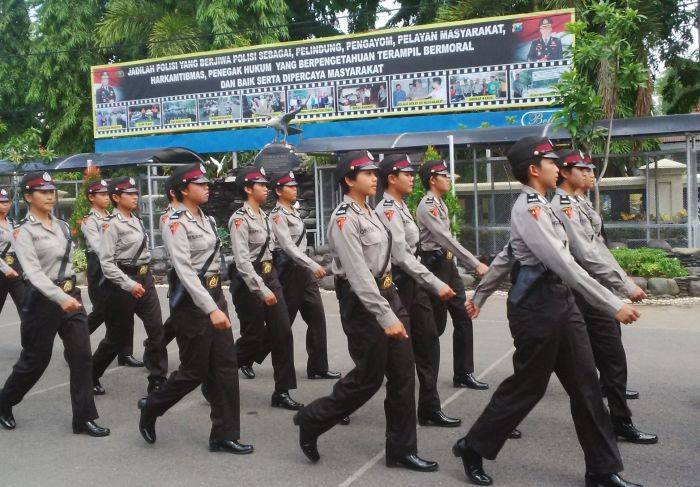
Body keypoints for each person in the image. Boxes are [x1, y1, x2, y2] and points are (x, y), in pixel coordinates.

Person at [453, 137, 642, 487]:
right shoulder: (530, 209)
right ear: (534, 169)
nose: (560, 168)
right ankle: (473, 446)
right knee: (528, 386)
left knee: (586, 385)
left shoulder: (544, 206)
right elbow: (564, 264)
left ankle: (602, 470)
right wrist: (613, 304)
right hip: (536, 309)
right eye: (552, 162)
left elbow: (507, 255)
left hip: (561, 303)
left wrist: (479, 296)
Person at [293, 150, 438, 472]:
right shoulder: (343, 219)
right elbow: (358, 276)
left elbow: (395, 256)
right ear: (348, 179)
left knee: (403, 375)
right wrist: (386, 317)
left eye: (375, 172)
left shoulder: (372, 212)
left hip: (388, 293)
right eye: (366, 173)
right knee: (367, 379)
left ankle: (401, 450)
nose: (375, 177)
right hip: (363, 304)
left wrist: (431, 285)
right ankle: (312, 419)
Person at [137, 164, 252, 454]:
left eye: (205, 183)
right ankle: (152, 406)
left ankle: (224, 434)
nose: (206, 187)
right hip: (192, 303)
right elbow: (185, 271)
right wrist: (211, 308)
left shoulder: (208, 220)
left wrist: (217, 301)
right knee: (194, 370)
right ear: (183, 190)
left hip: (213, 294)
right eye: (199, 184)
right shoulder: (175, 221)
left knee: (225, 366)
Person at [550, 149, 658, 446]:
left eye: (589, 169)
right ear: (565, 173)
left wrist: (621, 276)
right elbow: (586, 254)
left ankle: (619, 418)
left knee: (608, 356)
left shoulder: (580, 202)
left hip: (595, 287)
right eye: (581, 169)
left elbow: (600, 247)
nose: (588, 173)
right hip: (582, 290)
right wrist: (623, 287)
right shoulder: (563, 206)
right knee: (546, 365)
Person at [0, 172, 109, 437]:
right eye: (43, 191)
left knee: (81, 357)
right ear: (28, 197)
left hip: (72, 296)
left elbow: (70, 264)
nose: (50, 195)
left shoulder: (61, 225)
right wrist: (62, 299)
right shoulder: (22, 231)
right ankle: (4, 402)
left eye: (52, 191)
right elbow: (34, 274)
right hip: (43, 301)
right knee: (35, 361)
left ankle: (84, 418)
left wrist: (73, 294)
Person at [375, 154, 462, 428]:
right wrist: (435, 283)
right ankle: (345, 398)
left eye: (413, 173)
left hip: (415, 283)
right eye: (406, 173)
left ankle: (428, 407)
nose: (413, 178)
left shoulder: (402, 206)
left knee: (428, 344)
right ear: (391, 178)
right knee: (389, 355)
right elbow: (401, 256)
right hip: (400, 284)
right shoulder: (387, 210)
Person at [228, 166, 302, 410]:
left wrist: (271, 285)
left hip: (271, 276)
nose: (266, 188)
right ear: (248, 188)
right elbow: (242, 261)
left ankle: (281, 391)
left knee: (282, 332)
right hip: (249, 282)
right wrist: (261, 289)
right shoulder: (239, 219)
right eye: (261, 184)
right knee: (253, 337)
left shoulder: (265, 215)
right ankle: (217, 375)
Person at [416, 160, 490, 390]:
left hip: (447, 266)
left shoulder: (440, 203)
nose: (449, 179)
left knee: (463, 316)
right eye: (444, 175)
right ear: (432, 180)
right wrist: (474, 263)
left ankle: (463, 373)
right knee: (433, 327)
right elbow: (445, 239)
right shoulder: (427, 206)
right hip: (433, 267)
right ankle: (402, 365)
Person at [91, 177, 168, 395]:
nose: (135, 196)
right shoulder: (111, 224)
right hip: (121, 283)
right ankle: (91, 375)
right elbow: (106, 263)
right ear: (116, 197)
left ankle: (157, 378)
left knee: (156, 329)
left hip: (145, 280)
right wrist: (128, 284)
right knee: (116, 338)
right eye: (129, 193)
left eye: (136, 193)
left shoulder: (135, 219)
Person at [269, 171, 341, 381]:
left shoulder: (293, 211)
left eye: (294, 185)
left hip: (304, 273)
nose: (295, 189)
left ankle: (318, 366)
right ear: (278, 191)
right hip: (290, 271)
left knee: (317, 317)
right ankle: (245, 355)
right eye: (289, 186)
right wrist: (312, 264)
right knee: (283, 324)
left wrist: (308, 266)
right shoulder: (277, 215)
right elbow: (288, 246)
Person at [82, 179, 143, 368]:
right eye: (101, 194)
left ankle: (125, 353)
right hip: (99, 267)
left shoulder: (114, 217)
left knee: (125, 311)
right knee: (101, 311)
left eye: (106, 194)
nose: (105, 198)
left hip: (116, 266)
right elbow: (99, 247)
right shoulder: (89, 220)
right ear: (91, 197)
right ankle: (77, 343)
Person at [0, 188, 24, 317]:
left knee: (26, 308)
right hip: (2, 269)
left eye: (7, 202)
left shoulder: (13, 223)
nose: (5, 204)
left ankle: (30, 337)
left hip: (16, 269)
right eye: (1, 202)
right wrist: (5, 269)